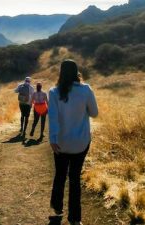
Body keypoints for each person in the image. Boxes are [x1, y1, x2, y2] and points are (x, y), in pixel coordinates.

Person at [48, 60, 99, 225]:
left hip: (61, 143)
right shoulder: (86, 90)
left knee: (60, 175)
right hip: (81, 142)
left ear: (61, 73)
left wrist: (53, 139)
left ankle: (57, 208)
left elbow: (53, 118)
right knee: (75, 178)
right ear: (77, 72)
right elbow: (94, 113)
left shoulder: (54, 92)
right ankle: (75, 219)